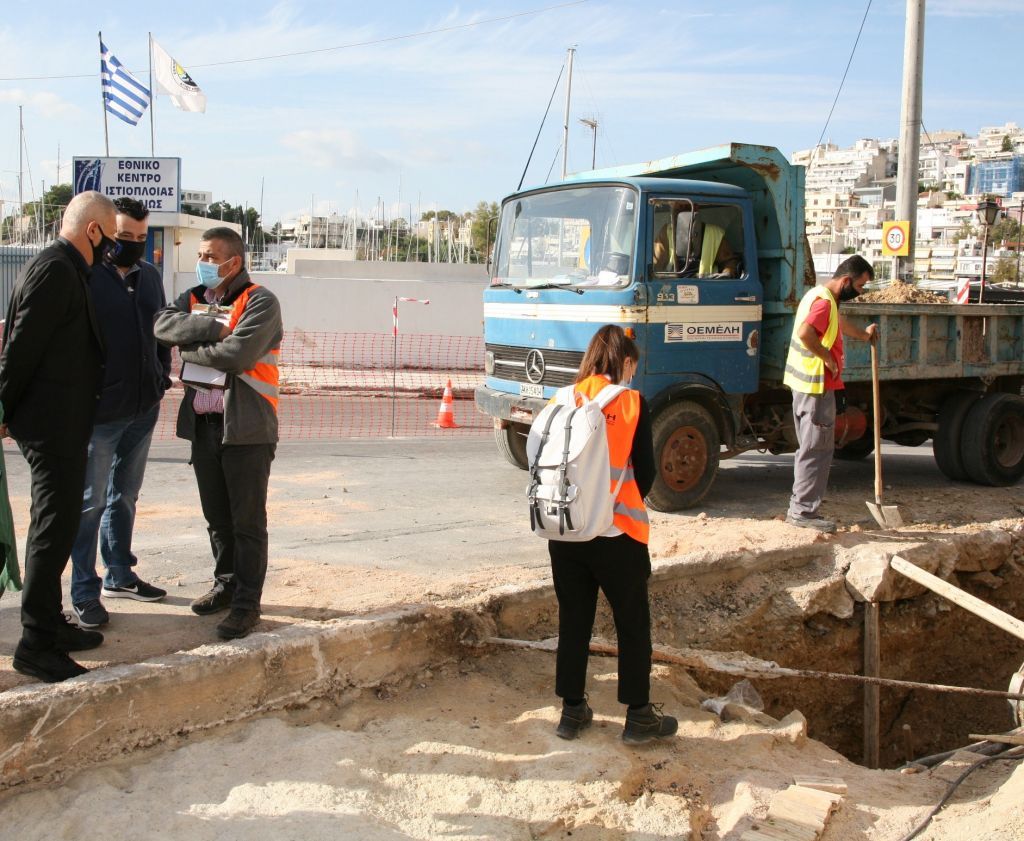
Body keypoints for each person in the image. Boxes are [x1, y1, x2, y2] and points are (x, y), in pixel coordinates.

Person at [0, 191, 115, 682]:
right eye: (111, 239)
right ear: (93, 231)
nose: (113, 250)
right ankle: (35, 643)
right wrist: (2, 406)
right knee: (52, 528)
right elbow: (20, 349)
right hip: (49, 426)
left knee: (62, 523)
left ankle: (49, 621)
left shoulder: (65, 268)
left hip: (62, 422)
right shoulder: (55, 270)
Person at [548, 324, 678, 745]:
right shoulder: (630, 403)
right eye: (633, 367)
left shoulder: (561, 398)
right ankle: (639, 717)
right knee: (632, 624)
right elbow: (646, 470)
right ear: (624, 362)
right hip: (617, 534)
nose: (633, 375)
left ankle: (572, 712)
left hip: (565, 532)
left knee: (573, 620)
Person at [154, 227, 282, 640]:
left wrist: (189, 348)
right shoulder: (192, 298)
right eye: (201, 255)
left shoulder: (260, 300)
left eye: (210, 256)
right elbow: (162, 325)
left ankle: (247, 605)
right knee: (217, 519)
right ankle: (225, 584)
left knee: (247, 523)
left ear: (234, 262)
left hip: (246, 428)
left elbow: (238, 354)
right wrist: (211, 329)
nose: (203, 262)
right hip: (204, 425)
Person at [69, 198, 172, 629]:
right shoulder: (86, 275)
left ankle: (120, 574)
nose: (132, 244)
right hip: (101, 413)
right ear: (107, 232)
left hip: (143, 409)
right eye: (124, 236)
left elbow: (162, 331)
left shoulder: (150, 276)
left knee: (124, 498)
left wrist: (161, 378)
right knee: (89, 506)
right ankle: (84, 591)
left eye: (140, 238)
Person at [784, 255, 878, 533]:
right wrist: (827, 357)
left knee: (813, 448)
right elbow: (806, 333)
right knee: (817, 450)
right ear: (847, 280)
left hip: (806, 386)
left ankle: (801, 508)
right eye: (860, 286)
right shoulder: (824, 302)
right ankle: (803, 512)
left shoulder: (819, 295)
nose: (860, 292)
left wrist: (863, 335)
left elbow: (837, 323)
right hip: (815, 386)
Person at [652, 202, 739, 277]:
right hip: (673, 285)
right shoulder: (667, 232)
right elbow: (656, 264)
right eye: (677, 207)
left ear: (696, 208)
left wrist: (725, 275)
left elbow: (729, 262)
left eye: (685, 207)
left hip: (706, 286)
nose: (680, 211)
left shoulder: (714, 233)